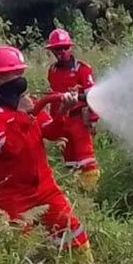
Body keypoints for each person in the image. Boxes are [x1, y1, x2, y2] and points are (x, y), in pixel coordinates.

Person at [0, 45, 91, 257]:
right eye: (14, 74)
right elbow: (12, 148)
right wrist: (24, 115)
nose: (20, 79)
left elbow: (51, 132)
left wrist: (63, 112)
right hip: (13, 196)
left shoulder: (28, 104)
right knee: (22, 251)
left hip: (45, 187)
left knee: (72, 232)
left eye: (20, 73)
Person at [42, 28, 101, 191]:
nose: (61, 52)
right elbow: (53, 99)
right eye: (57, 49)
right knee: (69, 160)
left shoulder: (82, 69)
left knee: (86, 160)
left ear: (70, 48)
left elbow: (92, 96)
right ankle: (76, 192)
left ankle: (90, 192)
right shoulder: (52, 71)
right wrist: (54, 122)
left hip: (79, 120)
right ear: (52, 51)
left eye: (64, 48)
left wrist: (93, 119)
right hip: (62, 121)